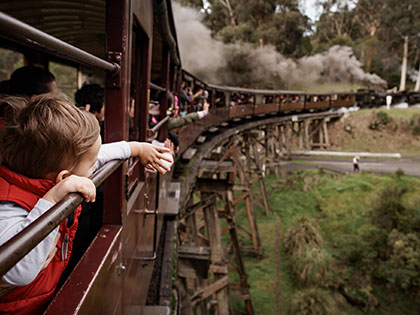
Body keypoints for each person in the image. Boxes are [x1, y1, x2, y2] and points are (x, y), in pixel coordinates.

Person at [0, 92, 171, 314]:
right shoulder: (10, 205)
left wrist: (134, 148)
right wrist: (53, 200)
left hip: (37, 295)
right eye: (92, 165)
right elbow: (20, 271)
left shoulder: (41, 173)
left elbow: (93, 156)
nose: (96, 166)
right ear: (64, 180)